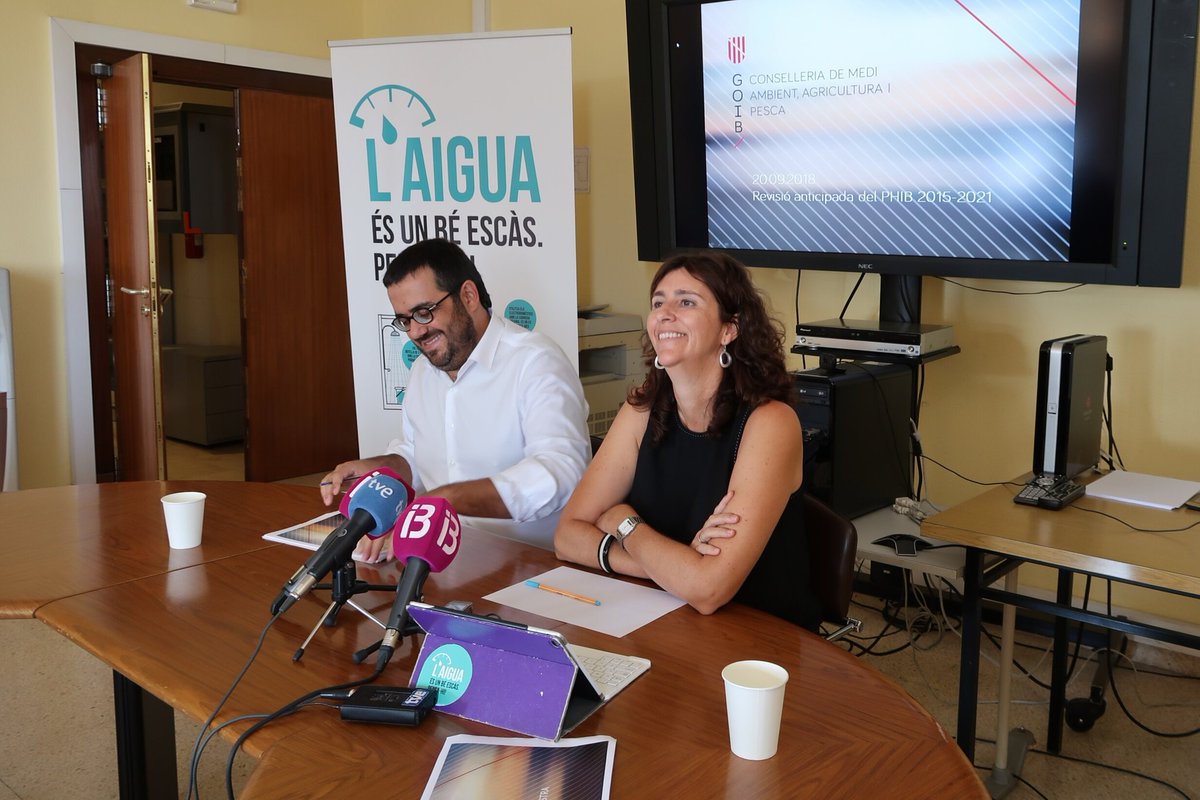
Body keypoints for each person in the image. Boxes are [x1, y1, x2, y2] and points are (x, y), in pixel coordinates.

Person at [554, 252, 820, 630]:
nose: (664, 314)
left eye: (686, 302)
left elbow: (708, 590)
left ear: (729, 329)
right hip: (665, 615)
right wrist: (670, 567)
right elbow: (567, 536)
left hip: (758, 636)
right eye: (658, 302)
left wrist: (624, 523)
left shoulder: (770, 423)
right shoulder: (643, 407)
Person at [321, 238, 590, 554]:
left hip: (534, 562)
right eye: (405, 320)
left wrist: (448, 498)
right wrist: (378, 469)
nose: (416, 332)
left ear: (468, 296)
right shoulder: (423, 371)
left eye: (424, 312)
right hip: (443, 555)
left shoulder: (536, 362)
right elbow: (417, 455)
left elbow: (561, 472)